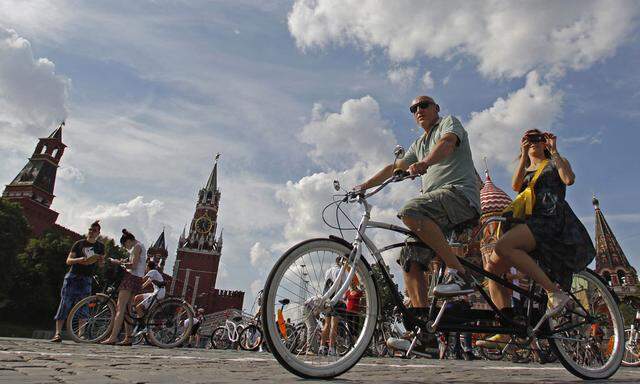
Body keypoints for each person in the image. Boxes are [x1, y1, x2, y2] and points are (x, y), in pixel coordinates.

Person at [354, 95, 481, 306]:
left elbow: (447, 143)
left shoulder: (448, 123)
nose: (418, 110)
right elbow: (393, 168)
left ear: (436, 108)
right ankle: (422, 326)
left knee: (411, 210)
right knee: (409, 257)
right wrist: (362, 187)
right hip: (438, 207)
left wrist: (425, 163)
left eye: (424, 105)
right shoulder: (418, 143)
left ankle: (459, 273)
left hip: (459, 196)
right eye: (413, 109)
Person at [481, 129, 595, 346]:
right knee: (491, 270)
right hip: (529, 222)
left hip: (550, 218)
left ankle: (554, 291)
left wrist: (554, 151)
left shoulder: (555, 162)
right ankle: (506, 326)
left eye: (538, 138)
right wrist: (524, 155)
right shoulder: (526, 169)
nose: (534, 141)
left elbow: (568, 179)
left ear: (545, 142)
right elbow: (515, 187)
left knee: (504, 246)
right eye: (528, 138)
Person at [51, 221, 105, 342]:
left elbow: (101, 266)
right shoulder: (79, 243)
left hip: (87, 278)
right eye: (90, 229)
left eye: (94, 230)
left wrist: (101, 260)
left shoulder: (100, 247)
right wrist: (80, 259)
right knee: (65, 304)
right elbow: (68, 261)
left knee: (84, 306)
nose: (91, 232)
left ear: (98, 233)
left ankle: (81, 334)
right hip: (73, 276)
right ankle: (58, 333)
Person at [101, 229, 146, 346]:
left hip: (130, 278)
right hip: (137, 279)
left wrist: (118, 262)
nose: (126, 248)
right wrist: (124, 261)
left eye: (125, 245)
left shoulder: (136, 247)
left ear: (129, 240)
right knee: (127, 310)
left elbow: (134, 265)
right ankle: (128, 338)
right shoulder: (140, 246)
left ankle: (113, 337)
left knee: (120, 308)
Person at [319, 257, 348, 356]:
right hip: (336, 300)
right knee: (334, 325)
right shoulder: (341, 271)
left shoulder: (328, 270)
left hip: (327, 299)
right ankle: (331, 348)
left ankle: (322, 347)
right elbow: (345, 286)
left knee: (326, 324)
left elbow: (325, 284)